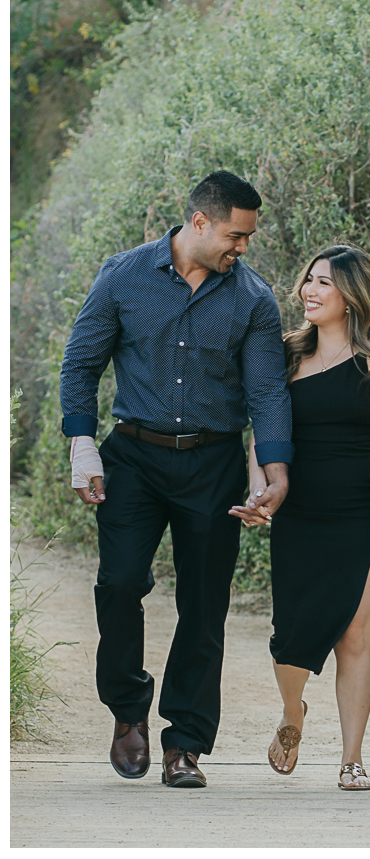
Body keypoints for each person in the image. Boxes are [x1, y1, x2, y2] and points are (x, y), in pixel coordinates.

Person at [60, 170, 293, 789]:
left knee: (204, 604)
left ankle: (185, 742)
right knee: (118, 583)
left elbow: (268, 388)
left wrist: (275, 469)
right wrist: (83, 445)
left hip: (213, 463)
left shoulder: (252, 298)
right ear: (200, 223)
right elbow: (82, 362)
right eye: (236, 236)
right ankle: (128, 710)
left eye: (247, 239)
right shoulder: (124, 276)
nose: (243, 248)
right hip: (132, 458)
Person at [230, 244, 370, 790]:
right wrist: (259, 491)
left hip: (358, 516)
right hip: (299, 512)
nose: (310, 289)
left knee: (355, 636)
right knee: (292, 635)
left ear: (352, 295)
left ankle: (352, 758)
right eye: (308, 280)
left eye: (324, 282)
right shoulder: (284, 355)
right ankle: (292, 712)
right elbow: (263, 436)